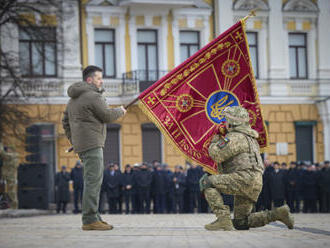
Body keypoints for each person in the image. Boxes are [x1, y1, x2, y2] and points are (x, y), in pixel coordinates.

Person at [199, 106, 294, 231]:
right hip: (255, 181)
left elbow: (217, 155)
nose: (225, 123)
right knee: (241, 222)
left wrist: (214, 141)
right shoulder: (251, 138)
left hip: (243, 178)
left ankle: (223, 219)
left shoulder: (235, 137)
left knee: (206, 182)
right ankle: (277, 214)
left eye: (226, 120)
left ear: (232, 123)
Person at [62, 65, 126, 230]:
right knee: (93, 181)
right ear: (89, 80)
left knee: (92, 180)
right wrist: (120, 111)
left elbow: (65, 122)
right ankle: (90, 219)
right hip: (93, 144)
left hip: (83, 145)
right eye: (98, 78)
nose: (101, 81)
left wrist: (74, 140)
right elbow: (107, 116)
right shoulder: (92, 96)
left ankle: (94, 216)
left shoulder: (72, 99)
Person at [0, 143, 19, 209]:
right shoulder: (14, 156)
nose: (7, 150)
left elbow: (3, 154)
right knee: (9, 191)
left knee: (11, 192)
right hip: (6, 175)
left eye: (8, 149)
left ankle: (14, 207)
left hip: (10, 176)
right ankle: (12, 206)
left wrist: (1, 145)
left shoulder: (12, 156)